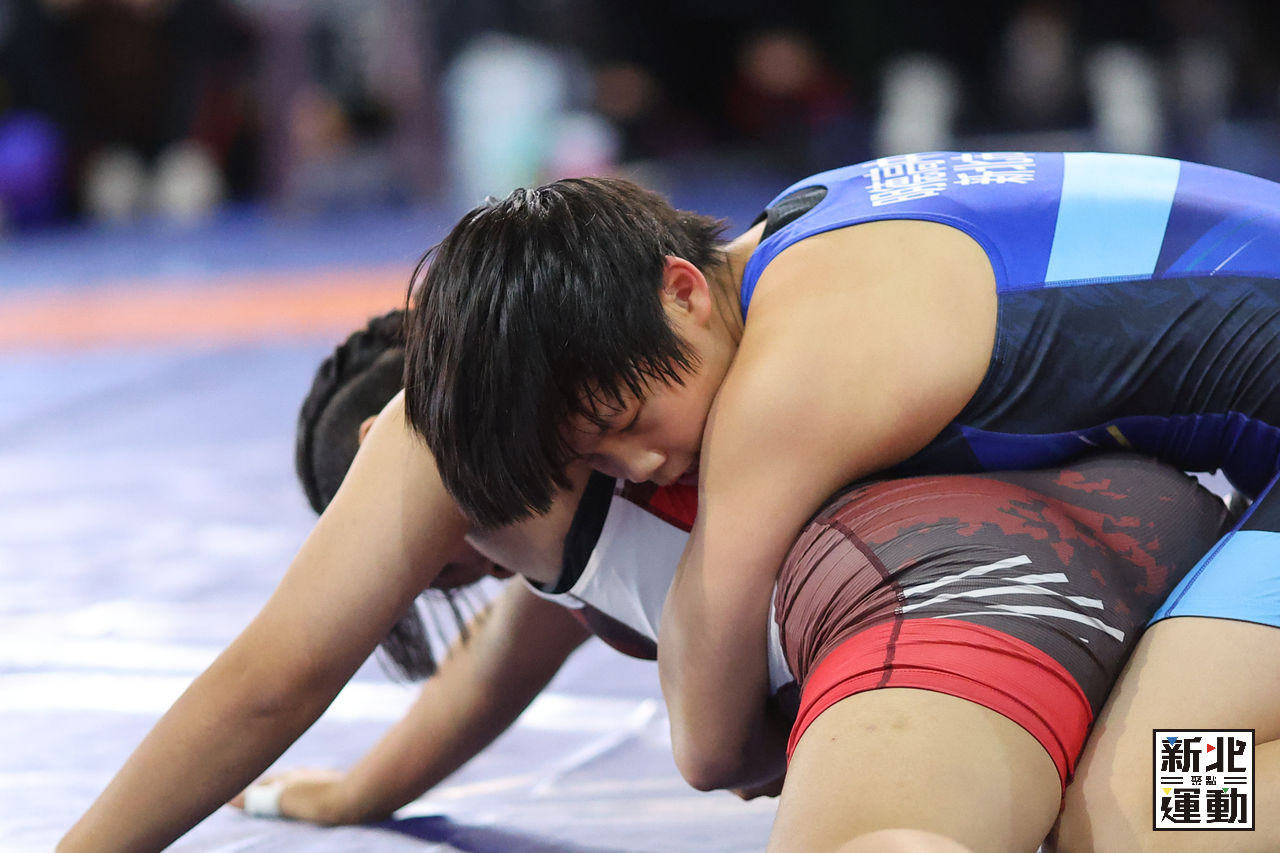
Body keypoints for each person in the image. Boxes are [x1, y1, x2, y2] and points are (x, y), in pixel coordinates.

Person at [403, 153, 1280, 851]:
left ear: (682, 291)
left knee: (1155, 806)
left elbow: (705, 742)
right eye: (597, 459)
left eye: (629, 422)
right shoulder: (802, 228)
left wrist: (764, 747)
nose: (642, 465)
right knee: (1153, 791)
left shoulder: (786, 386)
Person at [238, 311, 1224, 852]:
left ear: (397, 439)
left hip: (963, 606)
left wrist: (742, 742)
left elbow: (712, 753)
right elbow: (497, 659)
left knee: (894, 833)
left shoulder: (531, 482)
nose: (450, 575)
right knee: (1165, 816)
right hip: (1171, 556)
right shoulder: (616, 437)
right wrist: (354, 790)